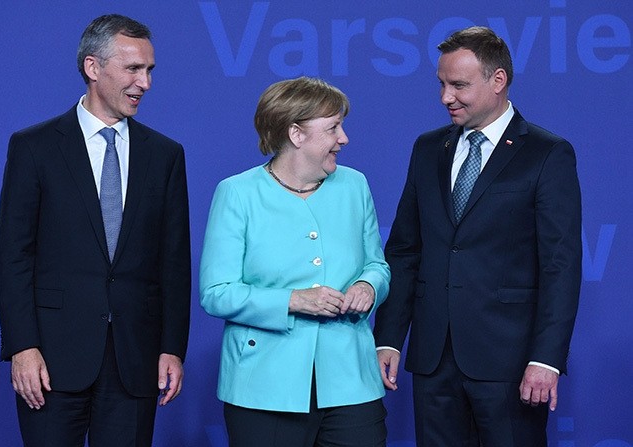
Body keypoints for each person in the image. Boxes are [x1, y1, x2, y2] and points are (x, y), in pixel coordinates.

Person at [373, 26, 582, 446]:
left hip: (510, 362)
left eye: (459, 85)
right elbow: (404, 250)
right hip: (433, 361)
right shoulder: (427, 148)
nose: (445, 97)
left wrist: (546, 359)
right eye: (442, 84)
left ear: (498, 80)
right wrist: (388, 339)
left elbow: (560, 265)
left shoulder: (547, 153)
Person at [0, 14, 191, 446]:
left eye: (150, 70)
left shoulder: (165, 155)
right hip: (50, 361)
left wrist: (172, 348)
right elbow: (13, 256)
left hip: (134, 363)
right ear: (92, 68)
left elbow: (173, 264)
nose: (145, 83)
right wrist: (22, 347)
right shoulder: (34, 147)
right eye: (133, 69)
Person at [199, 76, 390, 447]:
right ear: (296, 134)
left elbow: (376, 264)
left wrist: (369, 286)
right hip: (264, 386)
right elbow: (216, 293)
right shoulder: (237, 194)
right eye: (333, 127)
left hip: (351, 380)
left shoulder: (355, 186)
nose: (344, 138)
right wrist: (294, 300)